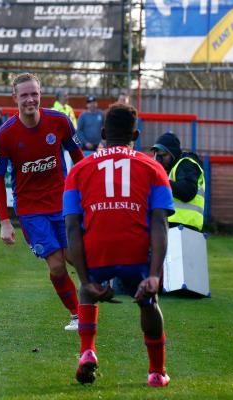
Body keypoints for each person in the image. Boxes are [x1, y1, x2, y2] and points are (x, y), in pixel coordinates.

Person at [63, 103, 174, 387]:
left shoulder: (78, 171)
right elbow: (160, 224)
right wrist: (153, 275)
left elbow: (73, 228)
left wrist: (86, 279)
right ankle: (156, 373)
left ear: (102, 133)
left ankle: (87, 350)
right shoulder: (154, 168)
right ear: (135, 135)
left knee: (86, 293)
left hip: (98, 253)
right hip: (137, 253)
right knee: (150, 303)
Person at [0, 73, 84, 331]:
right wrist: (5, 222)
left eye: (34, 94)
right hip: (31, 210)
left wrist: (86, 193)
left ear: (40, 95)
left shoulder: (60, 121)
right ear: (15, 98)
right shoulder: (6, 134)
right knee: (55, 263)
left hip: (63, 203)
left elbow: (79, 158)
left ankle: (98, 288)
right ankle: (78, 315)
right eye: (24, 95)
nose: (30, 99)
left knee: (75, 257)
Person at [151, 131, 205, 231]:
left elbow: (188, 191)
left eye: (163, 155)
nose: (159, 159)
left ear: (173, 153)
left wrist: (162, 181)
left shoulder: (186, 163)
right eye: (156, 155)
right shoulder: (168, 170)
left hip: (185, 227)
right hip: (172, 226)